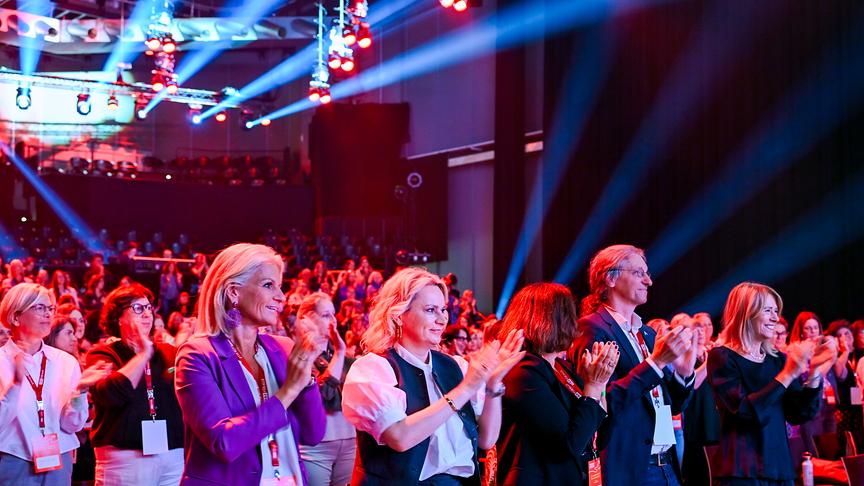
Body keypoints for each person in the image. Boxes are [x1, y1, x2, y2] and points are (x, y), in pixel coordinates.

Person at [342, 267, 525, 485]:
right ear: (399, 316)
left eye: (443, 309)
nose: (442, 319)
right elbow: (399, 437)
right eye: (430, 310)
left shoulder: (455, 367)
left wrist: (493, 384)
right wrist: (466, 388)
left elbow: (487, 439)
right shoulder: (373, 368)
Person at [174, 243, 326, 485]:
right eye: (268, 285)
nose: (281, 296)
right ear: (234, 291)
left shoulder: (284, 348)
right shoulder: (197, 355)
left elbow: (313, 434)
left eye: (280, 286)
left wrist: (306, 379)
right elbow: (223, 442)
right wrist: (289, 391)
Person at [569, 244, 700, 485]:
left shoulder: (647, 333)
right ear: (610, 278)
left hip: (666, 464)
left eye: (647, 273)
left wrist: (683, 374)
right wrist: (656, 363)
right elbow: (600, 403)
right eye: (639, 273)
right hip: (628, 467)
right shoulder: (591, 329)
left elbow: (673, 406)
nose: (648, 281)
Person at [707, 282, 836, 485]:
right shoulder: (722, 357)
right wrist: (788, 374)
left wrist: (815, 371)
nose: (775, 318)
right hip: (742, 471)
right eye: (767, 311)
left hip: (779, 469)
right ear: (745, 313)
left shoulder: (777, 360)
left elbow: (799, 414)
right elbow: (743, 411)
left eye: (776, 311)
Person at [496, 282, 617, 485]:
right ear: (552, 320)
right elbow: (568, 445)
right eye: (570, 314)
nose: (575, 323)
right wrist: (594, 385)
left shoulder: (562, 367)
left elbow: (597, 434)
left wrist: (601, 384)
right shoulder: (523, 372)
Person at [0, 283, 109, 484]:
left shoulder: (66, 362)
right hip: (14, 458)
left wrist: (80, 391)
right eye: (40, 308)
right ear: (15, 317)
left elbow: (72, 424)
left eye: (50, 308)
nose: (48, 314)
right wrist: (15, 384)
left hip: (59, 458)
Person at [86, 283, 185, 485]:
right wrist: (143, 355)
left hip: (172, 454)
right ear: (118, 317)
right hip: (124, 458)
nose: (147, 314)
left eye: (149, 308)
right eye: (138, 308)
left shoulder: (169, 352)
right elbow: (111, 394)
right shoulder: (103, 354)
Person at [296, 292, 356, 486]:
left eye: (333, 314)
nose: (333, 320)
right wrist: (340, 352)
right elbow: (323, 394)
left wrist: (340, 353)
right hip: (316, 447)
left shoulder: (343, 357)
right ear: (306, 319)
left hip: (350, 441)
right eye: (325, 315)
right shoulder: (298, 357)